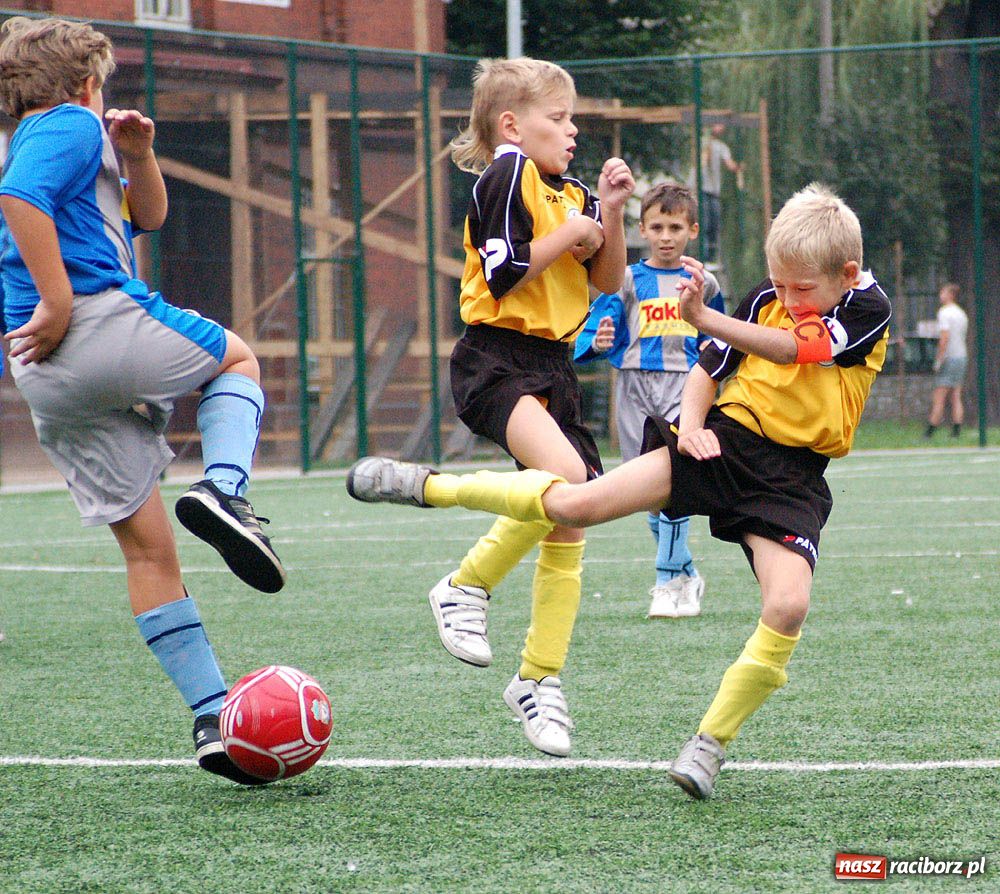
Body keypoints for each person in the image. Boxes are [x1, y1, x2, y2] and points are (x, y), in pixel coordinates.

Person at [347, 183, 892, 800]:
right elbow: (708, 370)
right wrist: (689, 428)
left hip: (792, 479)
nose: (788, 300)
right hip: (725, 441)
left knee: (788, 605)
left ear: (846, 274)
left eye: (802, 290)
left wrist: (707, 317)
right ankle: (426, 485)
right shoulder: (770, 293)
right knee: (575, 502)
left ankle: (709, 745)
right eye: (780, 285)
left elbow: (800, 349)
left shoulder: (867, 306)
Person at [0, 17, 286, 785]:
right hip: (94, 319)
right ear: (88, 82)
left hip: (48, 374)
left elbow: (147, 218)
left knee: (149, 550)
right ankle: (227, 491)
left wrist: (139, 157)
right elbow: (17, 199)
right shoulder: (63, 124)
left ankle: (212, 715)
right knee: (238, 359)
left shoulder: (48, 137)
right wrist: (59, 299)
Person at [420, 56, 633, 757]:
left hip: (554, 367)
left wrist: (611, 214)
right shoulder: (506, 173)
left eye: (573, 119)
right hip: (496, 357)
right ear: (513, 125)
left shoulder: (568, 192)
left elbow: (608, 279)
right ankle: (465, 584)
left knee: (572, 517)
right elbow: (507, 272)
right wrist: (574, 230)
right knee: (570, 486)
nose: (572, 131)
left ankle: (538, 680)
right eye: (560, 117)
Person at [574, 182, 725, 619]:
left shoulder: (702, 281)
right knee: (645, 487)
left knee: (675, 478)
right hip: (635, 387)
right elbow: (598, 326)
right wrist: (600, 341)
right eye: (656, 226)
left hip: (686, 387)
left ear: (692, 230)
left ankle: (664, 579)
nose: (665, 236)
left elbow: (720, 330)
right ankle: (685, 574)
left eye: (675, 227)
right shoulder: (625, 279)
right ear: (641, 228)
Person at [693, 123, 743, 264]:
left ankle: (711, 256)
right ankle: (702, 254)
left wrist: (739, 167)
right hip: (701, 189)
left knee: (714, 222)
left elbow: (730, 164)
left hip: (714, 190)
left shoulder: (721, 147)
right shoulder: (701, 143)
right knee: (704, 221)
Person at [925, 282, 968, 439]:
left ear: (950, 295)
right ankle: (956, 431)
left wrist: (939, 360)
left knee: (939, 396)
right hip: (961, 356)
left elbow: (944, 338)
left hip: (949, 358)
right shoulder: (961, 313)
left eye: (943, 292)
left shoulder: (944, 313)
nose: (940, 295)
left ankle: (930, 431)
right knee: (956, 395)